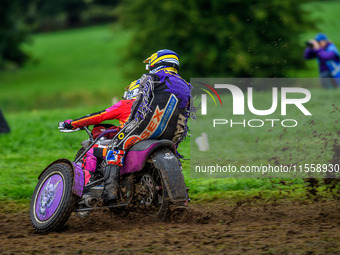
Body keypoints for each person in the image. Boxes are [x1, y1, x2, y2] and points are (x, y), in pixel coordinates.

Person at [61, 79, 140, 184]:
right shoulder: (157, 106)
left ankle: (86, 184)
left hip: (128, 144)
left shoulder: (127, 104)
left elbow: (99, 116)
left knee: (91, 152)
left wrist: (73, 123)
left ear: (132, 92)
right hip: (150, 140)